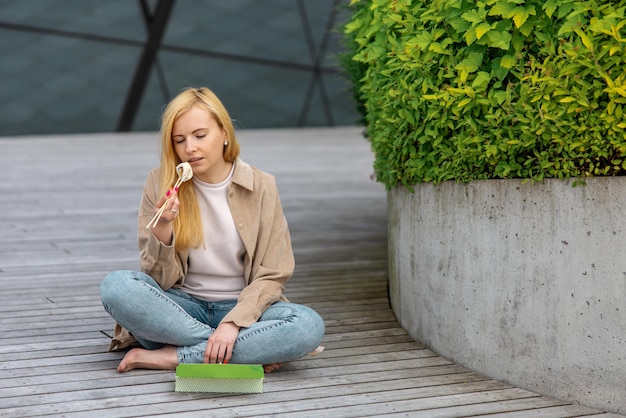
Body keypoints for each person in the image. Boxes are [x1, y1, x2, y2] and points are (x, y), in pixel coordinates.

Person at [100, 87, 325, 374]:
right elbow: (158, 281)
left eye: (200, 135)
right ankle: (243, 350)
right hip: (181, 308)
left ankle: (173, 357)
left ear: (225, 134)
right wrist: (163, 229)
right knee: (116, 287)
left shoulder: (262, 185)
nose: (189, 148)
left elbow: (274, 273)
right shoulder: (160, 182)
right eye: (179, 140)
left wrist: (233, 323)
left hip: (246, 310)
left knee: (307, 326)